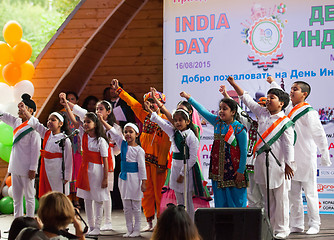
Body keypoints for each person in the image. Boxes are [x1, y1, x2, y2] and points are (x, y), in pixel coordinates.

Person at [227, 76, 294, 239]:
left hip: (279, 165)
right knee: (268, 199)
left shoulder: (285, 122)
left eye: (273, 98)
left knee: (281, 199)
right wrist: (234, 84)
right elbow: (247, 99)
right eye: (268, 97)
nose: (269, 100)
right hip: (262, 163)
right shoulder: (261, 112)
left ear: (281, 103)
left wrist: (289, 164)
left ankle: (283, 228)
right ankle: (270, 227)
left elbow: (288, 146)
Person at [267, 76, 332, 235]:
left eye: (295, 89)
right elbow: (281, 93)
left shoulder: (310, 112)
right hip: (291, 159)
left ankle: (314, 223)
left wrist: (325, 154)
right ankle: (296, 224)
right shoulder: (289, 108)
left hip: (307, 158)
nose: (291, 91)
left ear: (304, 94)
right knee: (292, 194)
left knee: (310, 193)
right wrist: (273, 83)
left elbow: (319, 134)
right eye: (291, 89)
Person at [110, 79, 171, 231]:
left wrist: (163, 163)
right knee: (146, 193)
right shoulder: (144, 116)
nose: (150, 105)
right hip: (144, 163)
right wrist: (119, 91)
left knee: (159, 194)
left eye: (154, 102)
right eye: (148, 102)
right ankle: (149, 222)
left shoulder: (166, 121)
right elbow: (133, 103)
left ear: (160, 103)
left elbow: (165, 144)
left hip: (160, 165)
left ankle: (161, 223)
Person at [60, 93, 120, 231]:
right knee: (87, 199)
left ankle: (98, 226)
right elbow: (75, 120)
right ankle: (91, 225)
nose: (85, 124)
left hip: (98, 172)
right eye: (85, 122)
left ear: (95, 124)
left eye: (88, 122)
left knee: (98, 199)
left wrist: (105, 178)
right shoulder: (83, 134)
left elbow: (105, 161)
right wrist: (66, 106)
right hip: (85, 171)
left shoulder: (101, 140)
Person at [180, 90, 248, 208]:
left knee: (236, 203)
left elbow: (243, 151)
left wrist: (241, 171)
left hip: (235, 172)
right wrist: (189, 98)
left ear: (233, 112)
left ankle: (238, 226)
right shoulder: (217, 123)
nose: (221, 111)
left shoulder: (239, 129)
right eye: (220, 108)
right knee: (221, 204)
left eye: (225, 108)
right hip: (218, 171)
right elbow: (202, 111)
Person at [146, 102, 199, 221]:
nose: (178, 123)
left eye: (180, 120)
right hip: (175, 168)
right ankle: (182, 223)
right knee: (179, 199)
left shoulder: (191, 137)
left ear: (188, 121)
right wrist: (151, 112)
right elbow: (162, 123)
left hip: (186, 170)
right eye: (175, 120)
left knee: (187, 200)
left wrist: (182, 173)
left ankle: (190, 223)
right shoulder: (173, 133)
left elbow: (192, 159)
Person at [101, 119, 147, 238]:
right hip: (124, 179)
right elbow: (114, 133)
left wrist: (144, 182)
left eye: (130, 132)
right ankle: (129, 229)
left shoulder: (139, 150)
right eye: (126, 132)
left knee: (136, 206)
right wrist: (102, 121)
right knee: (126, 206)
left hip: (135, 179)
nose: (127, 134)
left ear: (136, 134)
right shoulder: (123, 145)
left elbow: (142, 167)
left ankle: (137, 229)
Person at [220, 85, 264, 208]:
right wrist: (226, 96)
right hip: (250, 163)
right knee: (252, 197)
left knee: (267, 197)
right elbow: (237, 110)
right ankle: (257, 223)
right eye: (259, 107)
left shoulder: (272, 123)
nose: (261, 110)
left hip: (265, 164)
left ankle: (269, 225)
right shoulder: (249, 121)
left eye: (264, 107)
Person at [18, 102, 73, 198]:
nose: (49, 122)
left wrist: (67, 176)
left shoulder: (65, 139)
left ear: (60, 123)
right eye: (48, 120)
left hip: (58, 171)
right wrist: (24, 111)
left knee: (58, 195)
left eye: (53, 120)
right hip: (46, 169)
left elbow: (68, 160)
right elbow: (35, 123)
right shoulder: (46, 134)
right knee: (48, 195)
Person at [0, 94, 41, 218]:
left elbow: (36, 150)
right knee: (16, 198)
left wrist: (33, 168)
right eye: (19, 107)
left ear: (30, 111)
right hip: (15, 166)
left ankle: (30, 221)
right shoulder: (16, 121)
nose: (19, 110)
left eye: (23, 108)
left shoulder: (34, 126)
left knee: (29, 197)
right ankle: (17, 222)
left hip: (27, 168)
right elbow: (3, 115)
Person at [16, 191, 86, 240]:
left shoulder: (26, 234)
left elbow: (44, 236)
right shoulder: (62, 239)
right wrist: (79, 229)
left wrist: (41, 231)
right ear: (68, 215)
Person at [60, 91, 82, 209]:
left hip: (77, 146)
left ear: (76, 101)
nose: (69, 101)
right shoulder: (60, 114)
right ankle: (68, 199)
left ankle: (76, 198)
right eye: (67, 99)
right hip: (67, 143)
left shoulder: (79, 114)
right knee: (68, 170)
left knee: (76, 172)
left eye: (72, 99)